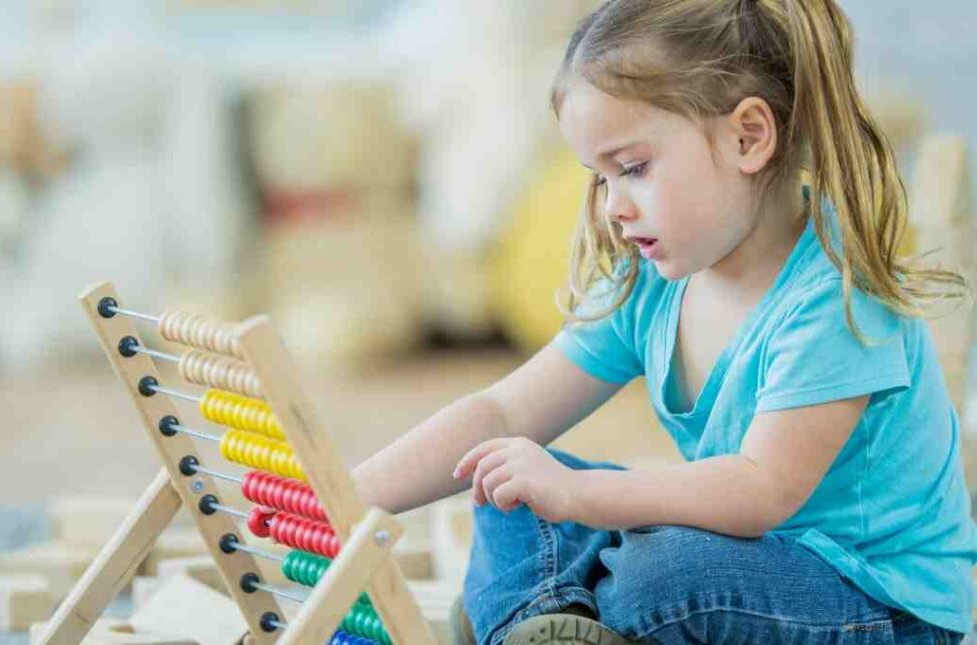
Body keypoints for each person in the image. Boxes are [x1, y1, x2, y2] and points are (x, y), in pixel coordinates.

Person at [351, 1, 977, 642]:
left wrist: (578, 495)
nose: (614, 207)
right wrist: (345, 496)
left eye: (634, 168)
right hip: (747, 560)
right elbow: (504, 414)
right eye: (600, 178)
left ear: (748, 137)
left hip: (875, 604)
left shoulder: (833, 299)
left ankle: (525, 611)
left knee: (660, 569)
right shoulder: (653, 281)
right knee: (506, 482)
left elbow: (759, 493)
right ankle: (539, 626)